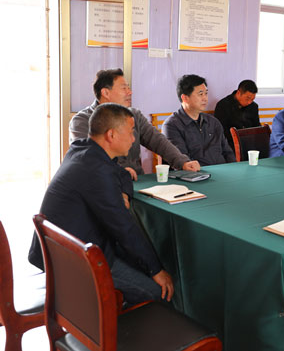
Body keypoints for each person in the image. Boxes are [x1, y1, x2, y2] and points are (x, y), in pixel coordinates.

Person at [29, 103, 174, 305]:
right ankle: (125, 323)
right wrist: (156, 270)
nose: (134, 139)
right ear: (111, 135)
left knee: (135, 259)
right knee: (159, 291)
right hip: (75, 260)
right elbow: (124, 227)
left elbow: (122, 174)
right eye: (130, 132)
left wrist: (124, 193)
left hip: (63, 248)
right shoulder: (96, 171)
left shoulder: (83, 150)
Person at [69, 69, 200, 179]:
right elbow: (87, 157)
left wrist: (182, 162)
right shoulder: (82, 121)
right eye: (124, 88)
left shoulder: (133, 115)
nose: (130, 92)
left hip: (138, 181)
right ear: (106, 93)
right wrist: (117, 170)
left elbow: (157, 140)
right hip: (105, 183)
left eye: (129, 88)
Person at [162, 74, 235, 166]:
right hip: (196, 173)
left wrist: (233, 169)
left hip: (223, 171)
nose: (205, 98)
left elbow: (228, 153)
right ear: (185, 98)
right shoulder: (172, 125)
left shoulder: (213, 122)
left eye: (206, 93)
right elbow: (184, 162)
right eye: (200, 94)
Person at [214, 79, 261, 150]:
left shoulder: (253, 106)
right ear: (238, 93)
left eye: (252, 99)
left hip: (249, 142)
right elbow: (220, 130)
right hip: (229, 143)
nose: (249, 102)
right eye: (247, 99)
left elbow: (257, 126)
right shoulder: (223, 105)